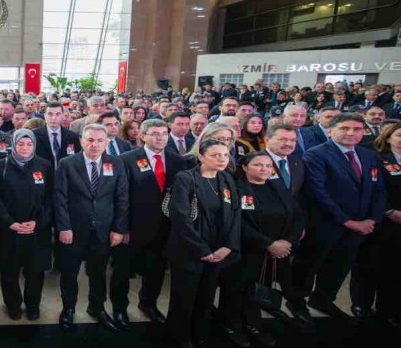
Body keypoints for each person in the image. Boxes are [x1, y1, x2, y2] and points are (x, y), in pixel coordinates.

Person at [299, 113, 386, 323]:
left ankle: (323, 300)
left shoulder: (368, 155)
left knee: (339, 267)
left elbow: (379, 190)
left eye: (357, 129)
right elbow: (318, 192)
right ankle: (297, 303)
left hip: (359, 227)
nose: (351, 133)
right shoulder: (316, 154)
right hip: (325, 224)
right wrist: (348, 221)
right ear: (330, 131)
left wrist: (371, 220)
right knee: (309, 267)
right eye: (345, 128)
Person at [219, 152, 303, 347]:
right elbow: (238, 222)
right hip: (246, 251)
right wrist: (268, 244)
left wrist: (288, 241)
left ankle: (254, 324)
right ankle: (231, 324)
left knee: (257, 290)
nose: (264, 169)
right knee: (236, 289)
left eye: (268, 166)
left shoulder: (278, 187)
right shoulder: (237, 189)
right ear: (245, 168)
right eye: (258, 165)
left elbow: (297, 216)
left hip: (275, 252)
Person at [164, 139, 240, 348]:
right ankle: (180, 335)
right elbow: (180, 217)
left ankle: (199, 332)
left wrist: (228, 246)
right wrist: (202, 250)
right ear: (201, 157)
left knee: (206, 296)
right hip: (189, 249)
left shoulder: (226, 178)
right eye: (215, 155)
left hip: (218, 249)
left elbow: (235, 214)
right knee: (185, 296)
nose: (222, 159)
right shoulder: (186, 178)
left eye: (225, 155)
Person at [111, 119, 186, 329]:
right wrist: (120, 227)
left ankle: (148, 304)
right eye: (154, 133)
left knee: (156, 269)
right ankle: (119, 308)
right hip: (132, 227)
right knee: (122, 271)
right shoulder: (126, 159)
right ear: (143, 136)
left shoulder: (177, 161)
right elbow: (120, 197)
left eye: (164, 133)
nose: (160, 137)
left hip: (164, 228)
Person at [54, 124, 129, 332]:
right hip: (73, 230)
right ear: (81, 141)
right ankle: (68, 308)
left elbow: (122, 198)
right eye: (90, 140)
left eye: (99, 140)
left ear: (106, 142)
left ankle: (96, 308)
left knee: (98, 273)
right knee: (69, 273)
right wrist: (64, 227)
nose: (94, 144)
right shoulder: (67, 163)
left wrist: (119, 229)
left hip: (103, 231)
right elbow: (60, 198)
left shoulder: (116, 163)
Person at [0, 129, 53, 321]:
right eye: (20, 144)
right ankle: (13, 305)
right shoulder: (0, 166)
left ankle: (33, 305)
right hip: (9, 229)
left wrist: (38, 222)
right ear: (13, 144)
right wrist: (10, 222)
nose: (25, 148)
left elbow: (50, 198)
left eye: (29, 144)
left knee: (35, 271)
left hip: (36, 230)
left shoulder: (44, 165)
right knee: (9, 272)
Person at [369, 123, 401, 329]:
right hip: (389, 221)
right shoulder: (378, 159)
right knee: (388, 269)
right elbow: (373, 190)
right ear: (388, 138)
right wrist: (390, 211)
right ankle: (385, 311)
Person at [33, 102, 80, 168]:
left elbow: (77, 159)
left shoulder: (73, 137)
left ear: (62, 115)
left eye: (58, 114)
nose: (53, 118)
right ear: (44, 115)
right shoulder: (34, 136)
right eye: (50, 114)